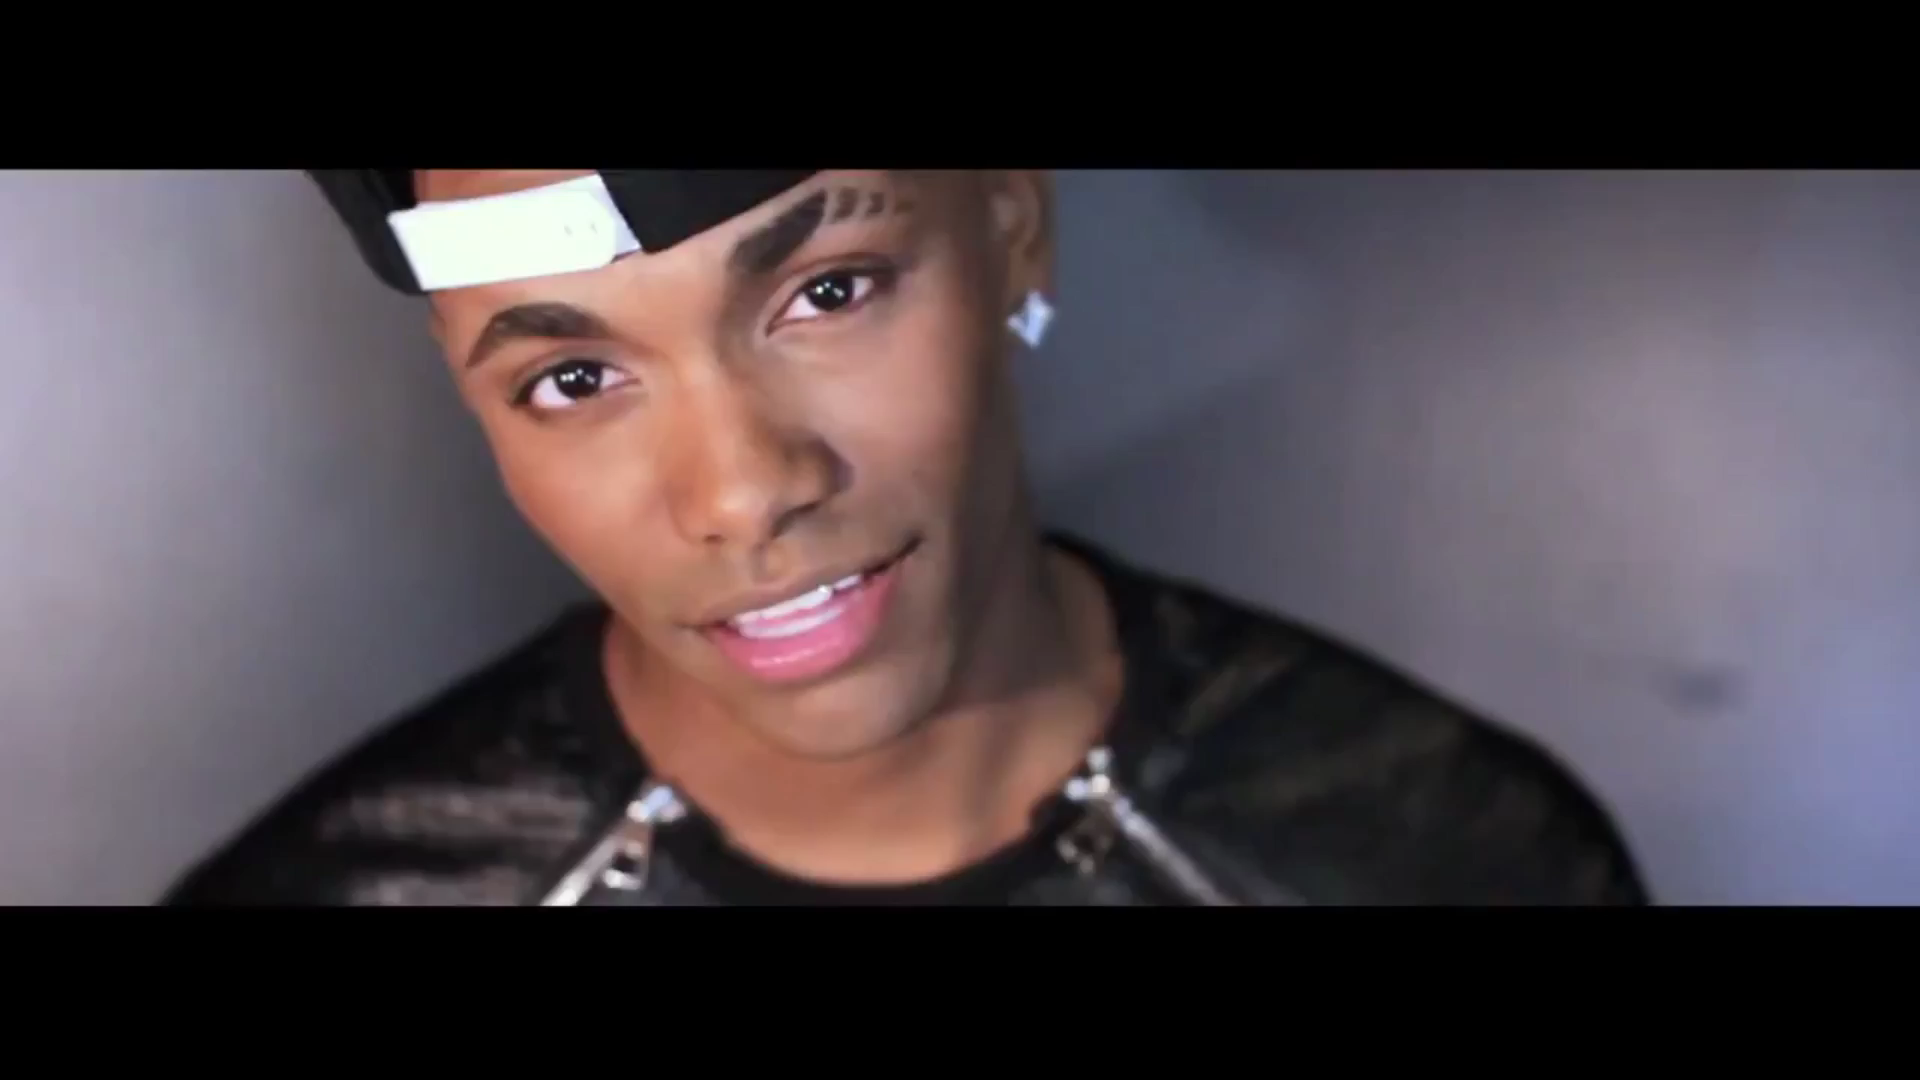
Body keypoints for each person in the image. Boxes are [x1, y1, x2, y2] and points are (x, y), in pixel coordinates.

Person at [163, 169, 1649, 906]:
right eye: (572, 378)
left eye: (828, 291)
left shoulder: (1446, 852)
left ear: (1011, 228)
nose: (744, 491)